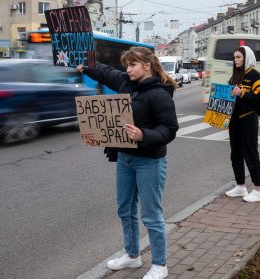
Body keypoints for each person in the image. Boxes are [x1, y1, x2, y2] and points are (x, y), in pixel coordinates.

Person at [77, 46, 179, 279]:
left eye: (132, 65)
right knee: (125, 209)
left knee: (151, 215)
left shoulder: (160, 94)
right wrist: (85, 63)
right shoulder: (126, 82)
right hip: (124, 157)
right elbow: (105, 72)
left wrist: (144, 135)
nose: (128, 69)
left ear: (147, 65)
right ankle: (132, 256)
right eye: (127, 65)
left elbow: (169, 129)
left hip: (149, 162)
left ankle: (160, 264)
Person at [225, 45, 260, 202]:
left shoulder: (255, 76)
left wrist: (242, 93)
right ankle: (240, 186)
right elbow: (230, 98)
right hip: (234, 121)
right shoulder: (235, 76)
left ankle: (258, 190)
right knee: (235, 154)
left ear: (246, 58)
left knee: (251, 154)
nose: (235, 60)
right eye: (234, 57)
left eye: (238, 57)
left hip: (248, 119)